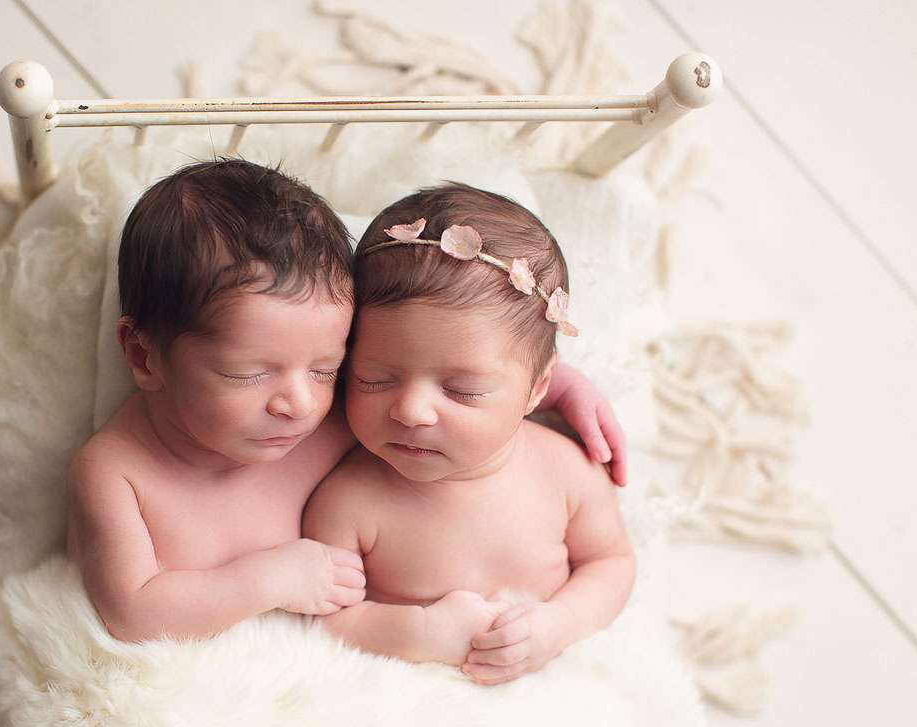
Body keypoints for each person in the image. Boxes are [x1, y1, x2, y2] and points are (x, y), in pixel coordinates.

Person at [69, 161, 627, 644]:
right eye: (249, 373)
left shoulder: (335, 410)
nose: (298, 402)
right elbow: (132, 611)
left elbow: (432, 362)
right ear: (144, 357)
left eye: (330, 369)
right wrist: (268, 580)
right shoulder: (116, 471)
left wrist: (557, 386)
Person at [303, 183, 634, 685]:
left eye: (462, 390)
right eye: (375, 379)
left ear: (536, 389)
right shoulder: (347, 501)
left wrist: (559, 625)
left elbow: (610, 563)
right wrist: (418, 633)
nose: (411, 411)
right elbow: (325, 620)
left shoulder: (564, 469)